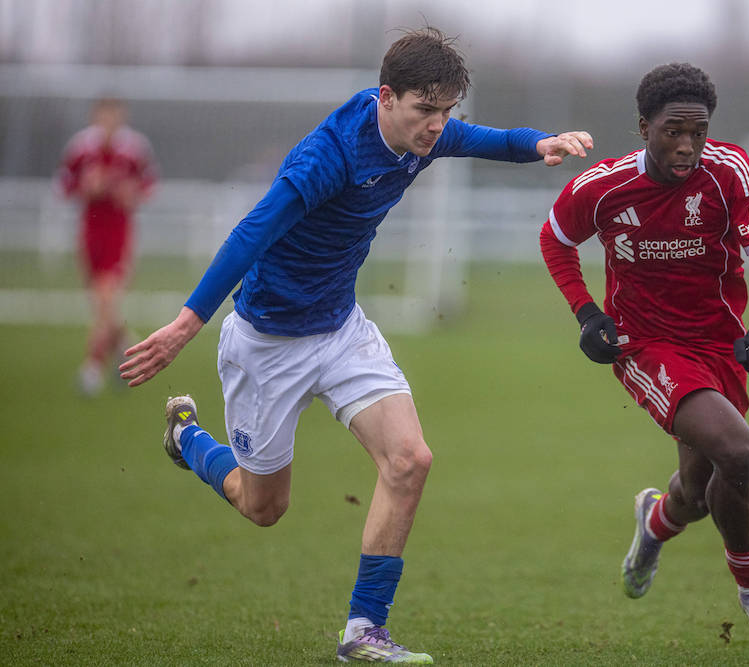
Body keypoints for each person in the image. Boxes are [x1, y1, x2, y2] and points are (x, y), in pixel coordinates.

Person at [119, 27, 593, 664]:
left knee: (410, 460)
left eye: (446, 111)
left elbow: (488, 140)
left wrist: (543, 144)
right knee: (263, 508)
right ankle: (189, 440)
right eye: (426, 111)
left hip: (342, 331)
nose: (437, 126)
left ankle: (363, 631)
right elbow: (251, 233)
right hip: (267, 344)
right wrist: (185, 324)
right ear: (386, 97)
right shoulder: (329, 156)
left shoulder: (422, 133)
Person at [538, 62, 749, 652]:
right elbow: (554, 240)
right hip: (646, 344)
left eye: (698, 132)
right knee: (738, 454)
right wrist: (587, 314)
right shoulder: (602, 187)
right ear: (643, 127)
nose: (686, 146)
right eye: (672, 132)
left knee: (700, 487)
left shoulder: (729, 171)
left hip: (718, 344)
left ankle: (654, 522)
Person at [58, 97, 157, 396]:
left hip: (119, 232)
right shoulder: (81, 147)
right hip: (90, 232)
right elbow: (63, 186)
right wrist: (86, 187)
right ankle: (128, 349)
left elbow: (149, 186)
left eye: (115, 115)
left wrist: (130, 193)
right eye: (104, 115)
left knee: (106, 298)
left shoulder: (135, 149)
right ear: (95, 117)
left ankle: (92, 369)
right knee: (101, 303)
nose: (109, 121)